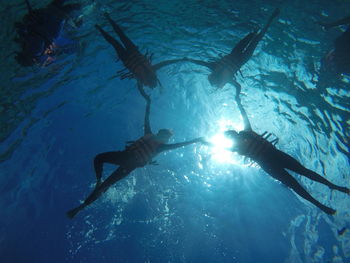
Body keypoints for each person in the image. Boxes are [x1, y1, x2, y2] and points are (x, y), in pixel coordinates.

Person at [67, 86, 203, 219]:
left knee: (105, 186)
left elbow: (179, 145)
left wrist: (196, 140)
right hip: (124, 156)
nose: (165, 139)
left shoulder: (160, 147)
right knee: (99, 158)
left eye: (166, 138)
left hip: (129, 166)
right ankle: (98, 181)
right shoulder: (149, 134)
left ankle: (80, 208)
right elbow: (146, 117)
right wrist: (148, 102)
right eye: (164, 136)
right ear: (159, 133)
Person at [201, 95, 349, 215]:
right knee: (295, 185)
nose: (233, 137)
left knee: (304, 172)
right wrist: (203, 141)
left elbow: (244, 115)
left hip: (275, 156)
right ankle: (320, 205)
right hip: (269, 164)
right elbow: (216, 145)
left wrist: (238, 98)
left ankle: (333, 186)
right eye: (230, 136)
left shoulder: (247, 132)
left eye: (231, 135)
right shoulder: (234, 148)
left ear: (234, 133)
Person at [181, 8, 280, 96]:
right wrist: (237, 96)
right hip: (242, 58)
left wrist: (189, 59)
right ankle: (270, 19)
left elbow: (201, 63)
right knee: (256, 38)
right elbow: (238, 86)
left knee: (253, 36)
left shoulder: (214, 66)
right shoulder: (224, 76)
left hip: (236, 54)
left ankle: (265, 21)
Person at [95, 13, 186, 92]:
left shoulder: (143, 78)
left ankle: (103, 23)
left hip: (128, 57)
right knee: (117, 39)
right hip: (132, 53)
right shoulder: (148, 73)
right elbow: (165, 63)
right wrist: (180, 59)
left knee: (117, 39)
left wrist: (147, 100)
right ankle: (102, 23)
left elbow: (141, 89)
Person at [14, 0, 81, 67]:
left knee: (62, 10)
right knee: (56, 8)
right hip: (48, 26)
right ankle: (82, 7)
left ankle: (81, 6)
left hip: (51, 30)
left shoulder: (34, 52)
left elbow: (39, 39)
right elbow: (36, 38)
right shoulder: (30, 50)